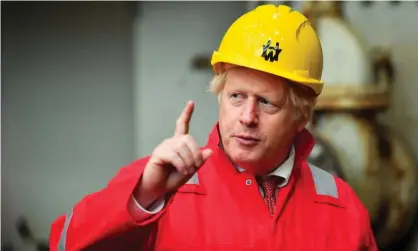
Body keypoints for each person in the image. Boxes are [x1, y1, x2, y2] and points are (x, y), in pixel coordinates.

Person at [49, 4, 378, 251]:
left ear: (301, 117)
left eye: (266, 102)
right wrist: (144, 196)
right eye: (236, 96)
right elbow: (64, 244)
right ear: (219, 96)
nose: (247, 116)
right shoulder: (159, 185)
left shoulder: (341, 207)